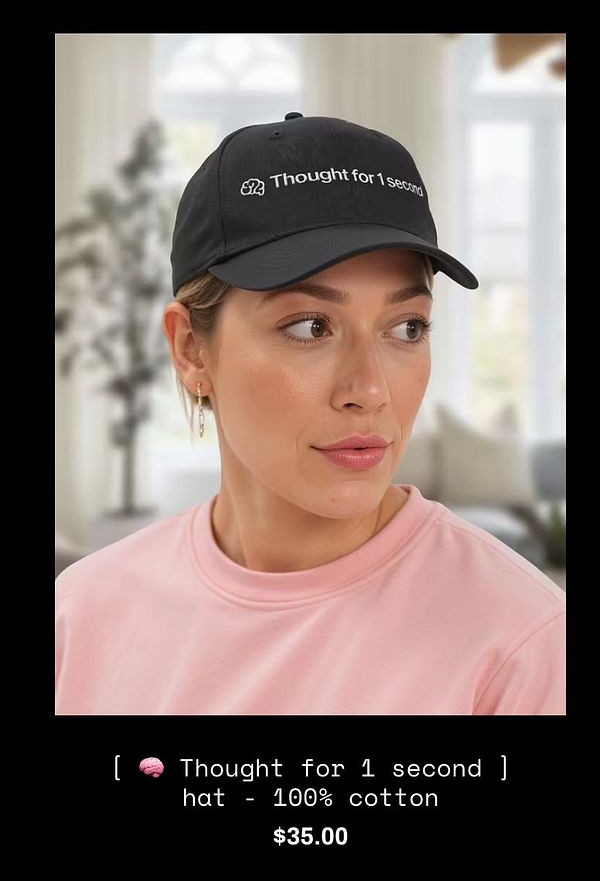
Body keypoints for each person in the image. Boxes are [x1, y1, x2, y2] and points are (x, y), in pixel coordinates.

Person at [55, 113, 565, 715]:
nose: (370, 389)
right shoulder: (83, 613)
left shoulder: (524, 641)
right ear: (191, 349)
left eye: (407, 327)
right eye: (308, 327)